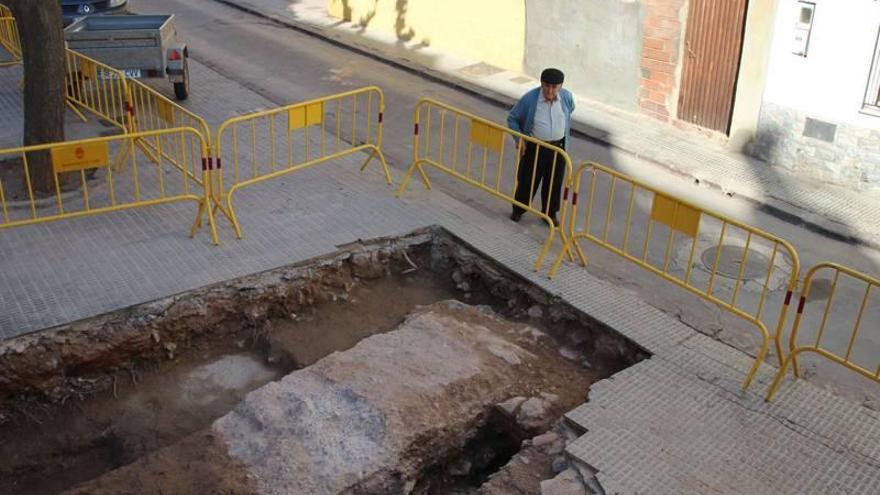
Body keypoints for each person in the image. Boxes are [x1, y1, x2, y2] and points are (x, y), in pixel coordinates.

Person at [506, 68, 575, 226]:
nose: (550, 91)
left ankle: (549, 213)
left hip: (558, 148)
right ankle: (518, 210)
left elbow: (569, 112)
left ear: (561, 86)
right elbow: (512, 118)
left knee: (554, 183)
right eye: (547, 86)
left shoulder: (566, 97)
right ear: (541, 84)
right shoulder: (530, 99)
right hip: (535, 147)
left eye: (554, 87)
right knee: (527, 180)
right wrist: (519, 139)